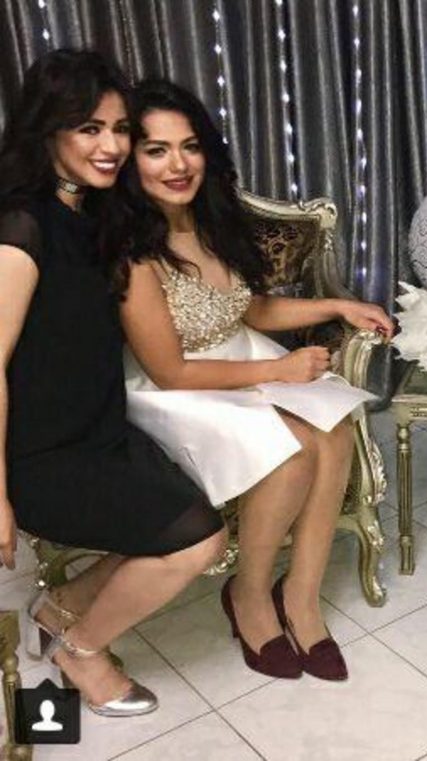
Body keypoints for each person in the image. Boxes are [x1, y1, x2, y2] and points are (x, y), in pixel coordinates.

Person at [104, 79, 394, 681]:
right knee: (289, 451)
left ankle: (302, 597)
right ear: (131, 159)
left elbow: (247, 309)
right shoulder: (132, 252)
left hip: (236, 355)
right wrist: (280, 370)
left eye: (189, 146)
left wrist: (336, 306)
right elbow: (170, 369)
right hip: (174, 389)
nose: (178, 165)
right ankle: (249, 594)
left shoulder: (211, 220)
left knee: (335, 426)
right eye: (157, 150)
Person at [0, 50, 228, 716]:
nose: (111, 146)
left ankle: (58, 609)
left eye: (120, 129)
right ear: (48, 129)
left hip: (98, 430)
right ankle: (80, 650)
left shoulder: (96, 215)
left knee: (194, 504)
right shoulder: (22, 226)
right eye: (89, 129)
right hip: (42, 456)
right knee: (199, 538)